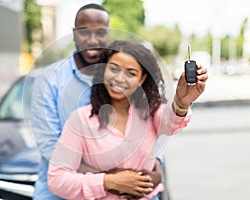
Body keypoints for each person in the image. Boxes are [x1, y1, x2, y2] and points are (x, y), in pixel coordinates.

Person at [31, 4, 163, 200]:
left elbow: (148, 129)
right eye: (84, 32)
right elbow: (49, 146)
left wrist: (156, 170)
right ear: (74, 34)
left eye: (100, 33)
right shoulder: (48, 79)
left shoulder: (122, 78)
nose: (92, 40)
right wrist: (110, 180)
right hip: (59, 194)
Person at [48, 40, 208, 199]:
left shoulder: (150, 112)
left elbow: (171, 121)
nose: (119, 78)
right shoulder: (81, 119)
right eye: (113, 69)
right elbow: (57, 179)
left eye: (131, 73)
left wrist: (181, 103)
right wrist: (107, 181)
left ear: (142, 78)